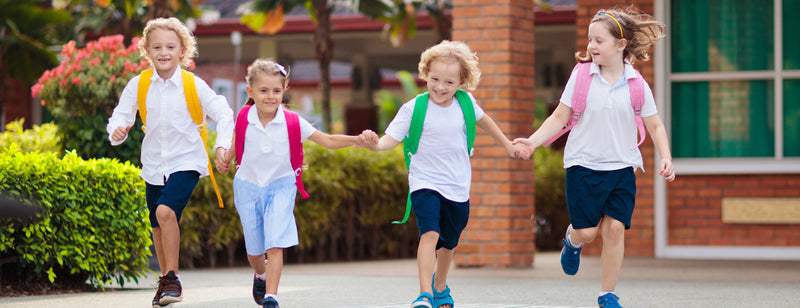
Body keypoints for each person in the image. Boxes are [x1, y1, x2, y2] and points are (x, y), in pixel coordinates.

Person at [512, 7, 675, 308]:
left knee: (614, 229)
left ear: (621, 45)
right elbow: (561, 116)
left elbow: (655, 124)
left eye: (599, 41)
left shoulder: (637, 84)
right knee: (587, 231)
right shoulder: (581, 76)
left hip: (622, 168)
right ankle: (572, 241)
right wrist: (533, 142)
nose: (591, 46)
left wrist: (666, 156)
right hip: (583, 166)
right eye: (590, 39)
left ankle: (607, 294)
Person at [359, 40, 525, 308]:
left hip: (458, 186)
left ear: (462, 82)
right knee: (430, 233)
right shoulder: (414, 108)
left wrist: (507, 144)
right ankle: (424, 294)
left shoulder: (466, 103)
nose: (440, 87)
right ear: (425, 73)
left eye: (449, 82)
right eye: (435, 78)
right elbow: (389, 140)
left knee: (448, 243)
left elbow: (485, 122)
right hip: (424, 182)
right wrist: (374, 143)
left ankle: (440, 286)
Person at [216, 58, 371, 308]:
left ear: (284, 91)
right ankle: (260, 273)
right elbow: (238, 144)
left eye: (276, 91)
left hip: (281, 186)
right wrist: (225, 158)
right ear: (251, 92)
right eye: (264, 91)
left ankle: (271, 296)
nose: (270, 96)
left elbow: (328, 140)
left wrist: (357, 140)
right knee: (255, 252)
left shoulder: (292, 121)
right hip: (247, 187)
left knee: (275, 243)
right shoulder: (245, 116)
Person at [106, 17, 234, 308]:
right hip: (153, 165)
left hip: (187, 161)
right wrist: (118, 130)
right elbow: (121, 115)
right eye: (157, 47)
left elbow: (224, 113)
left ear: (182, 51)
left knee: (165, 212)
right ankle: (165, 281)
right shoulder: (139, 84)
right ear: (147, 51)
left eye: (171, 46)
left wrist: (222, 146)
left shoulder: (193, 84)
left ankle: (173, 278)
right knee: (157, 225)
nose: (164, 52)